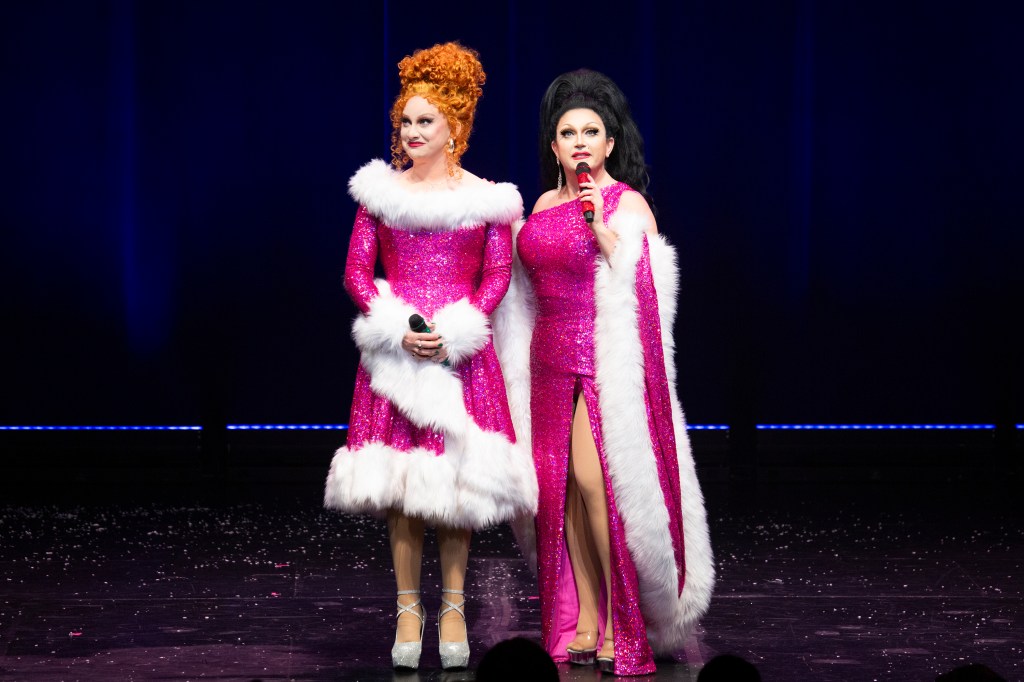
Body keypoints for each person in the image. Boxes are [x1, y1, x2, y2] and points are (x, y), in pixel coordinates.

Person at [492, 69, 714, 675]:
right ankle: (584, 616)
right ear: (555, 146)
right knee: (558, 493)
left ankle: (622, 617)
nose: (580, 142)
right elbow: (521, 287)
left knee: (595, 484)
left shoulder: (625, 203)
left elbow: (648, 286)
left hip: (600, 361)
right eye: (568, 133)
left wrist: (598, 226)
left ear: (610, 143)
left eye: (591, 132)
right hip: (546, 361)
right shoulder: (541, 205)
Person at [323, 42, 537, 672]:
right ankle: (408, 609)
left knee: (454, 485)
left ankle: (454, 607)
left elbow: (497, 276)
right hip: (398, 357)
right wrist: (398, 328)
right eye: (406, 121)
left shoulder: (487, 200)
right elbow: (356, 273)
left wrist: (457, 328)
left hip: (459, 357)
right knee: (402, 484)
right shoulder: (380, 195)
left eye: (426, 121)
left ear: (455, 125)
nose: (412, 132)